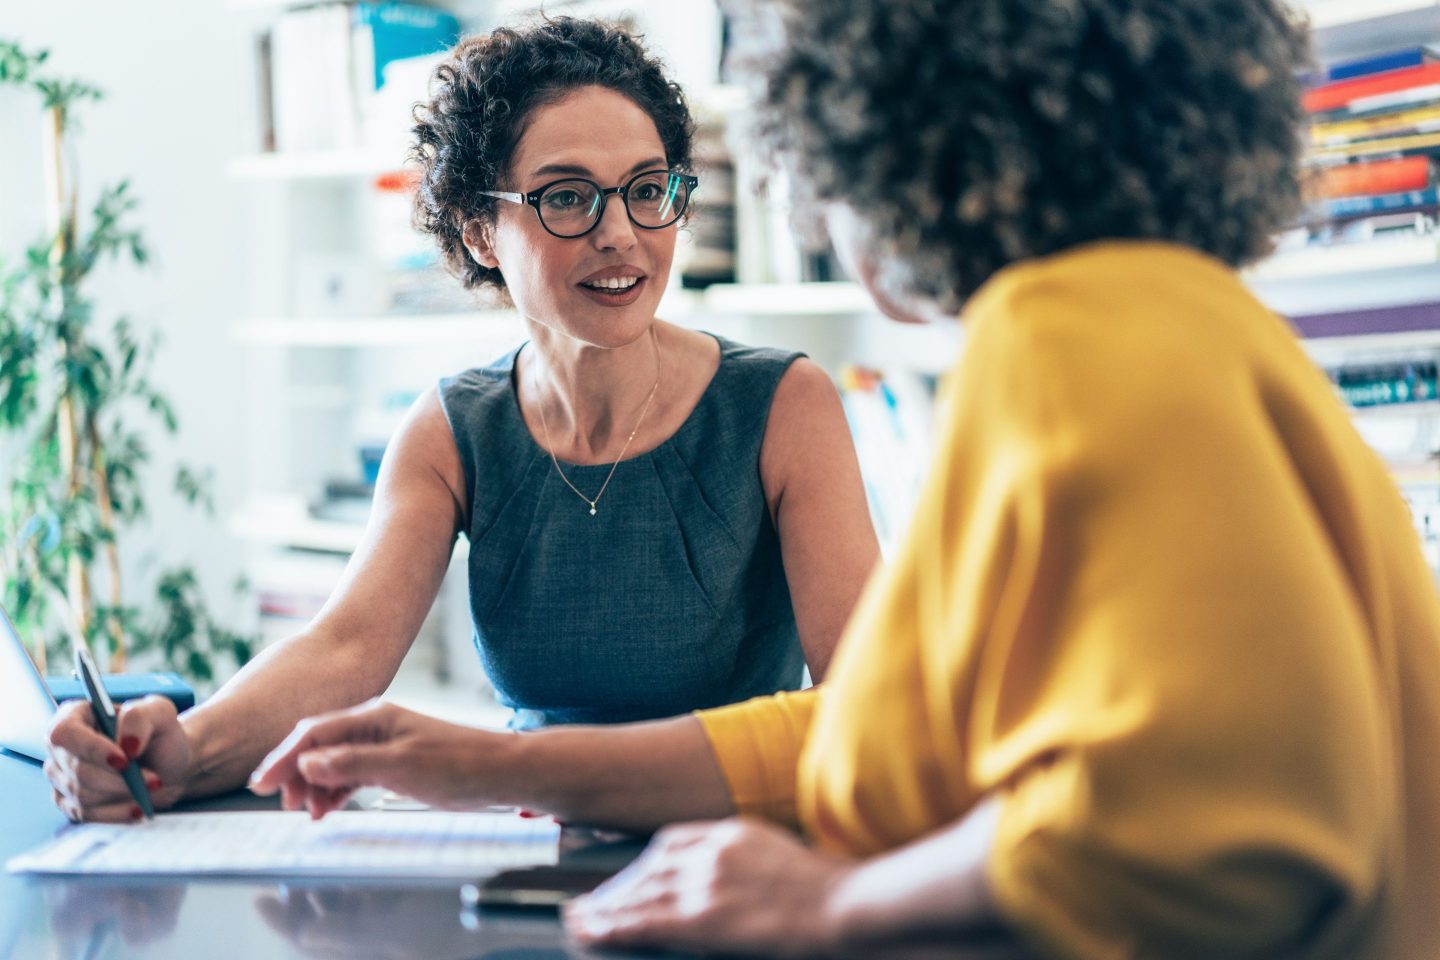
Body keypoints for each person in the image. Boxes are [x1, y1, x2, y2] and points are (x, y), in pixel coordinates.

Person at [248, 0, 1439, 956]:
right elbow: (893, 742)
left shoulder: (1076, 340)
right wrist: (487, 764)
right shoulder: (1163, 324)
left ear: (901, 134)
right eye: (569, 198)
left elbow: (1218, 837)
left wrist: (834, 907)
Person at [43, 18, 879, 822]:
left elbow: (867, 707)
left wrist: (508, 766)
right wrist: (183, 748)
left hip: (727, 844)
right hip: (523, 839)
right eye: (566, 197)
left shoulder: (783, 407)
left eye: (648, 190)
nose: (621, 232)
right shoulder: (454, 428)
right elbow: (345, 648)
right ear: (481, 229)